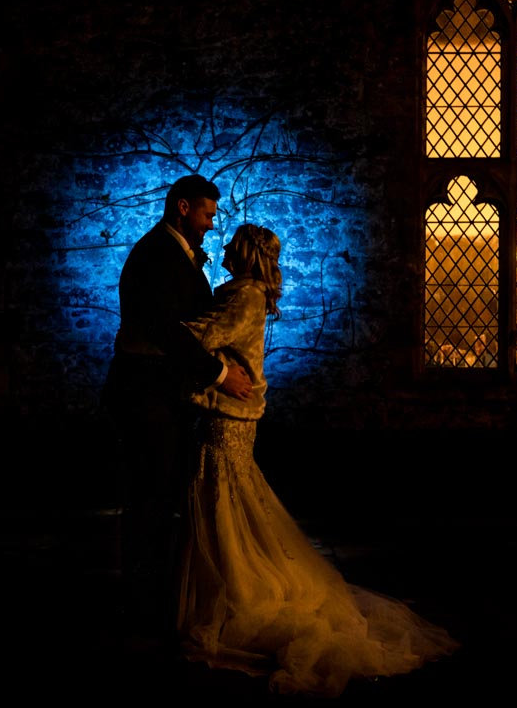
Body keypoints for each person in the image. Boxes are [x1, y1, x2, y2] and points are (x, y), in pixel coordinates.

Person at [175, 224, 460, 698]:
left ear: (245, 253)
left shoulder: (244, 297)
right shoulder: (244, 293)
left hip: (228, 416)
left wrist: (164, 327)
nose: (222, 246)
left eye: (232, 243)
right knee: (230, 499)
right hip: (230, 413)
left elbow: (205, 337)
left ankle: (237, 590)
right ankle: (231, 578)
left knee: (225, 498)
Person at [102, 174, 254, 640]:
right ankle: (142, 605)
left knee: (160, 493)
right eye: (208, 214)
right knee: (149, 495)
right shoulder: (156, 255)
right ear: (183, 207)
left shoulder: (174, 253)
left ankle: (155, 595)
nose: (212, 225)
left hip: (162, 396)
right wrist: (220, 375)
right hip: (146, 396)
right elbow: (169, 331)